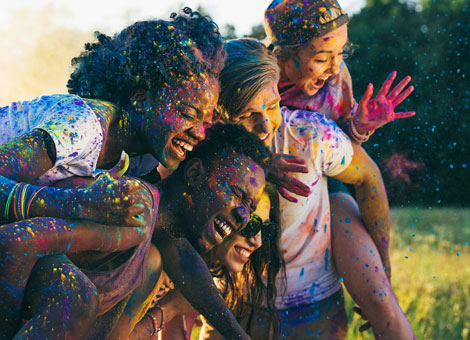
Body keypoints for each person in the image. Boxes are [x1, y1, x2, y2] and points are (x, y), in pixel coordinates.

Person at [0, 8, 262, 339]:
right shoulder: (83, 127)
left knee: (78, 297)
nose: (198, 133)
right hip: (12, 234)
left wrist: (236, 334)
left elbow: (171, 243)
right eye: (188, 114)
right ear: (140, 100)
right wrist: (81, 205)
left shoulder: (137, 160)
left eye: (205, 123)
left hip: (17, 235)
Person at [209, 37, 415, 338]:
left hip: (312, 308)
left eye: (271, 107)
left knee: (383, 303)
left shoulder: (308, 134)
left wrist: (383, 267)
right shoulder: (201, 149)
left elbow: (368, 175)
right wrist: (258, 165)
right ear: (218, 115)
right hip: (233, 306)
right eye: (246, 116)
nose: (266, 126)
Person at [0, 123, 270, 339]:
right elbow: (16, 240)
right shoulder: (130, 206)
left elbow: (184, 260)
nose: (244, 216)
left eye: (251, 207)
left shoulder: (152, 253)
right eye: (237, 194)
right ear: (195, 174)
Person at [128, 183, 284, 340]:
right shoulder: (156, 258)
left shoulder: (203, 277)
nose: (258, 242)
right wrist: (171, 308)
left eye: (265, 229)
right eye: (251, 225)